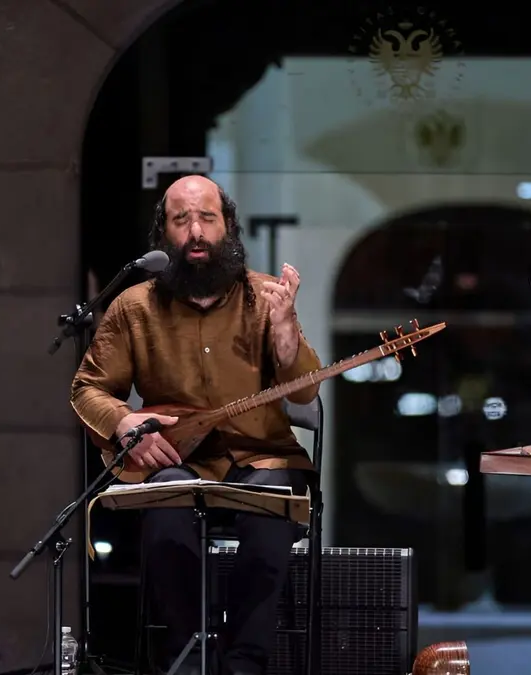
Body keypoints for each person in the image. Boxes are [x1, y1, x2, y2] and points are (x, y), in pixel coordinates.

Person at [71, 175, 322, 675]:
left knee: (270, 513)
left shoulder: (266, 298)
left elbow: (305, 392)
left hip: (264, 457)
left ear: (228, 226)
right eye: (181, 220)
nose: (196, 233)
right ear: (162, 233)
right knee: (164, 515)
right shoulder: (134, 307)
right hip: (177, 461)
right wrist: (123, 422)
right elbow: (87, 389)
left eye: (207, 218)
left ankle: (244, 665)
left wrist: (286, 334)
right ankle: (183, 662)